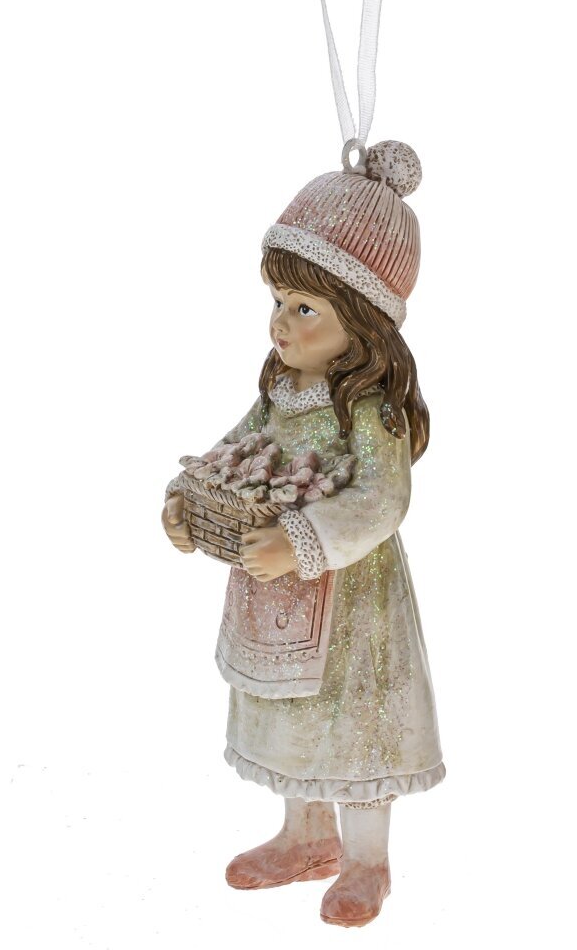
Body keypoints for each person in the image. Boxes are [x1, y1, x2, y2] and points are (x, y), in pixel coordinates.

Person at [162, 141, 444, 927]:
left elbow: (382, 498)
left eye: (304, 307)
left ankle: (366, 860)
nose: (280, 322)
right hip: (273, 592)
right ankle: (305, 836)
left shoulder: (371, 410)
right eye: (279, 300)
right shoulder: (279, 392)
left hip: (351, 602)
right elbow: (231, 451)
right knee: (291, 717)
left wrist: (306, 540)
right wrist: (188, 499)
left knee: (353, 722)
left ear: (363, 318)